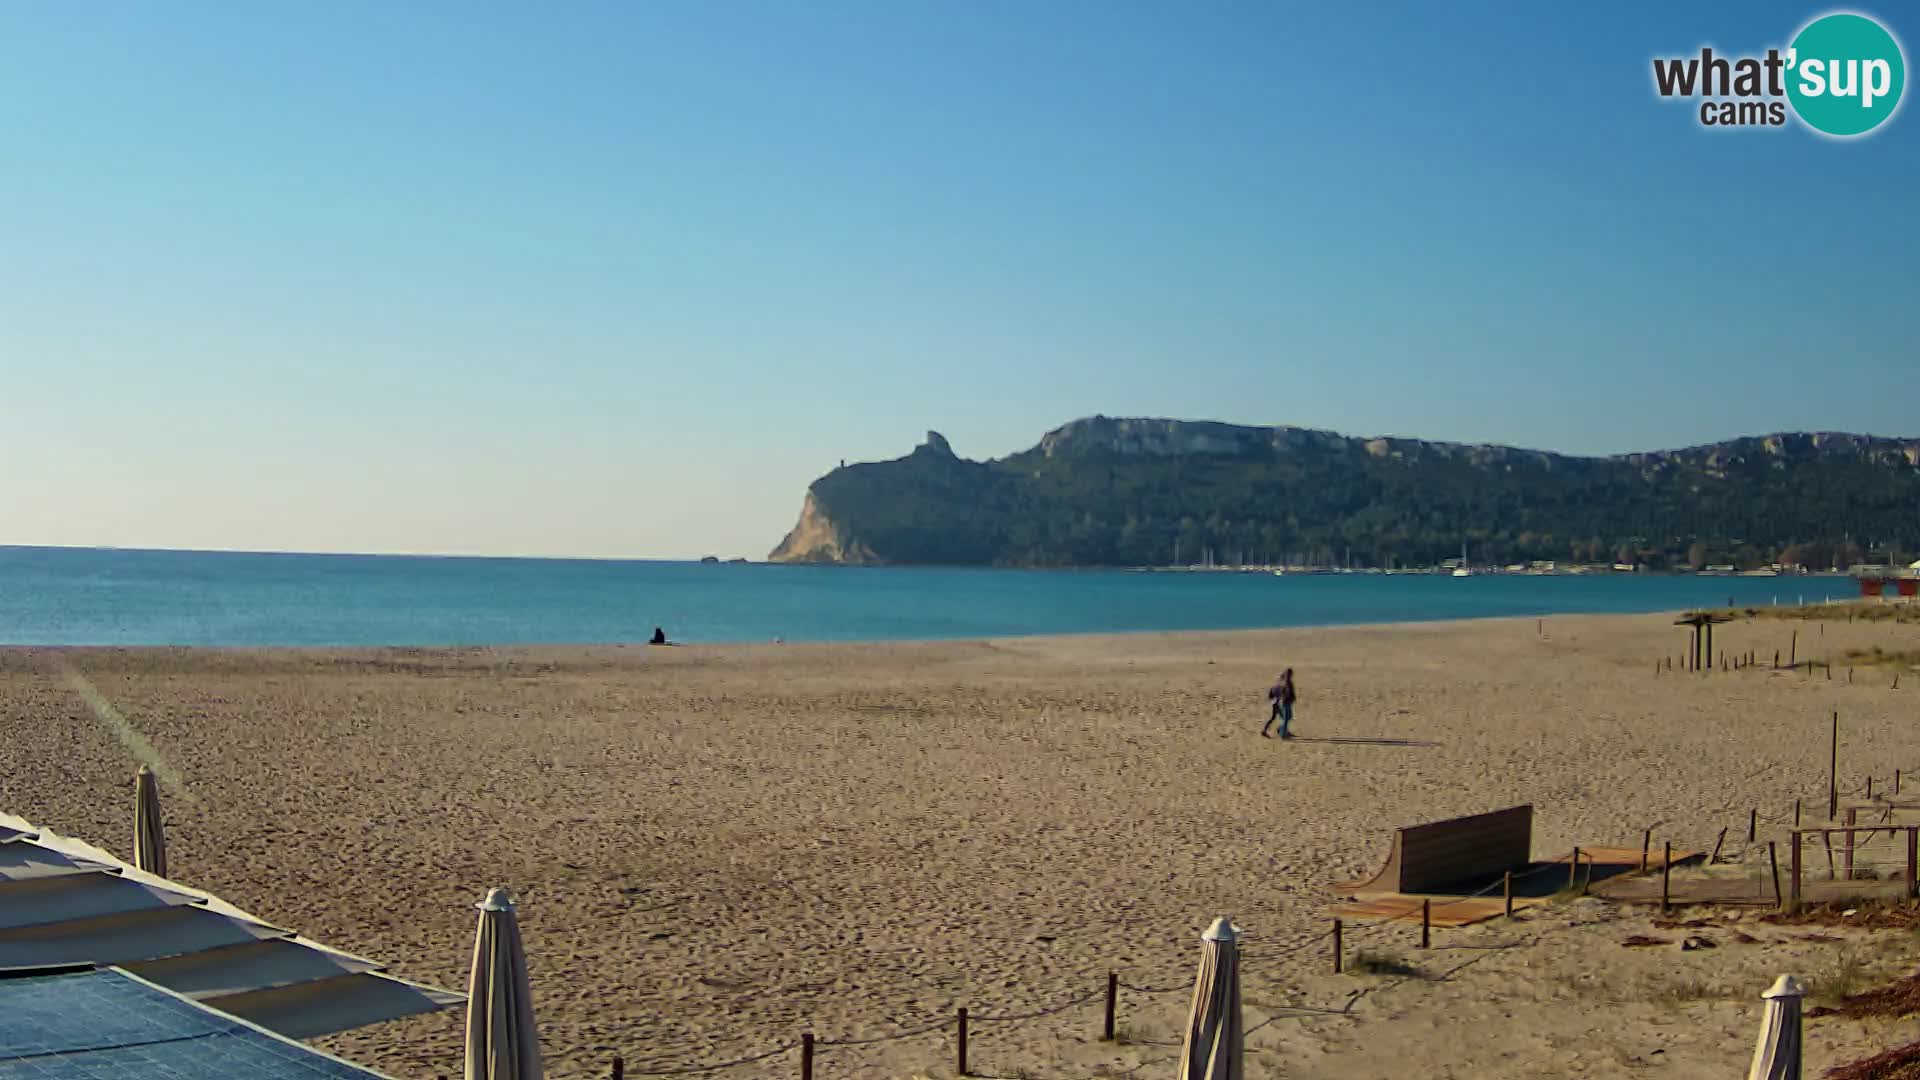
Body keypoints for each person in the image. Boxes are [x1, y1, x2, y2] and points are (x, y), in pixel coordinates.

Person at [1262, 668, 1297, 738]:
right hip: (1279, 704)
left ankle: (1266, 730)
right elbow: (1285, 695)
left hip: (1275, 704)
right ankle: (1282, 731)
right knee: (1285, 718)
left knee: (1278, 718)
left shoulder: (1274, 687)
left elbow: (1270, 696)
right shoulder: (1282, 686)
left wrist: (1273, 701)